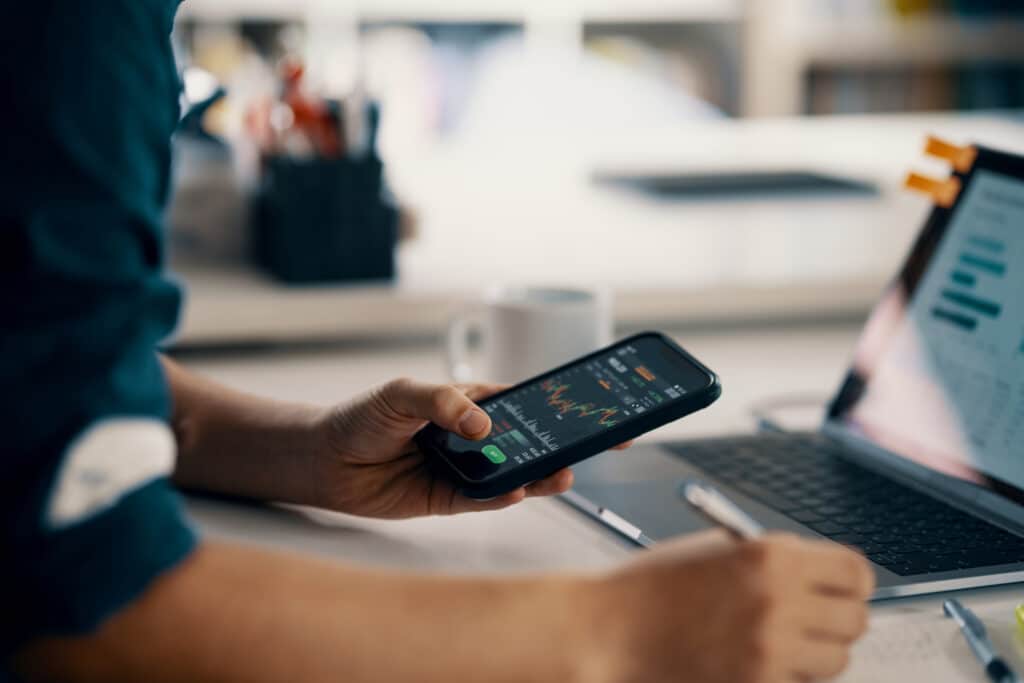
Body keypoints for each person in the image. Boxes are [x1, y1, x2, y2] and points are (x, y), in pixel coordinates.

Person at [2, 2, 874, 681]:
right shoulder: (74, 32)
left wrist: (298, 451)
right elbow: (76, 603)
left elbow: (35, 363)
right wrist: (621, 635)